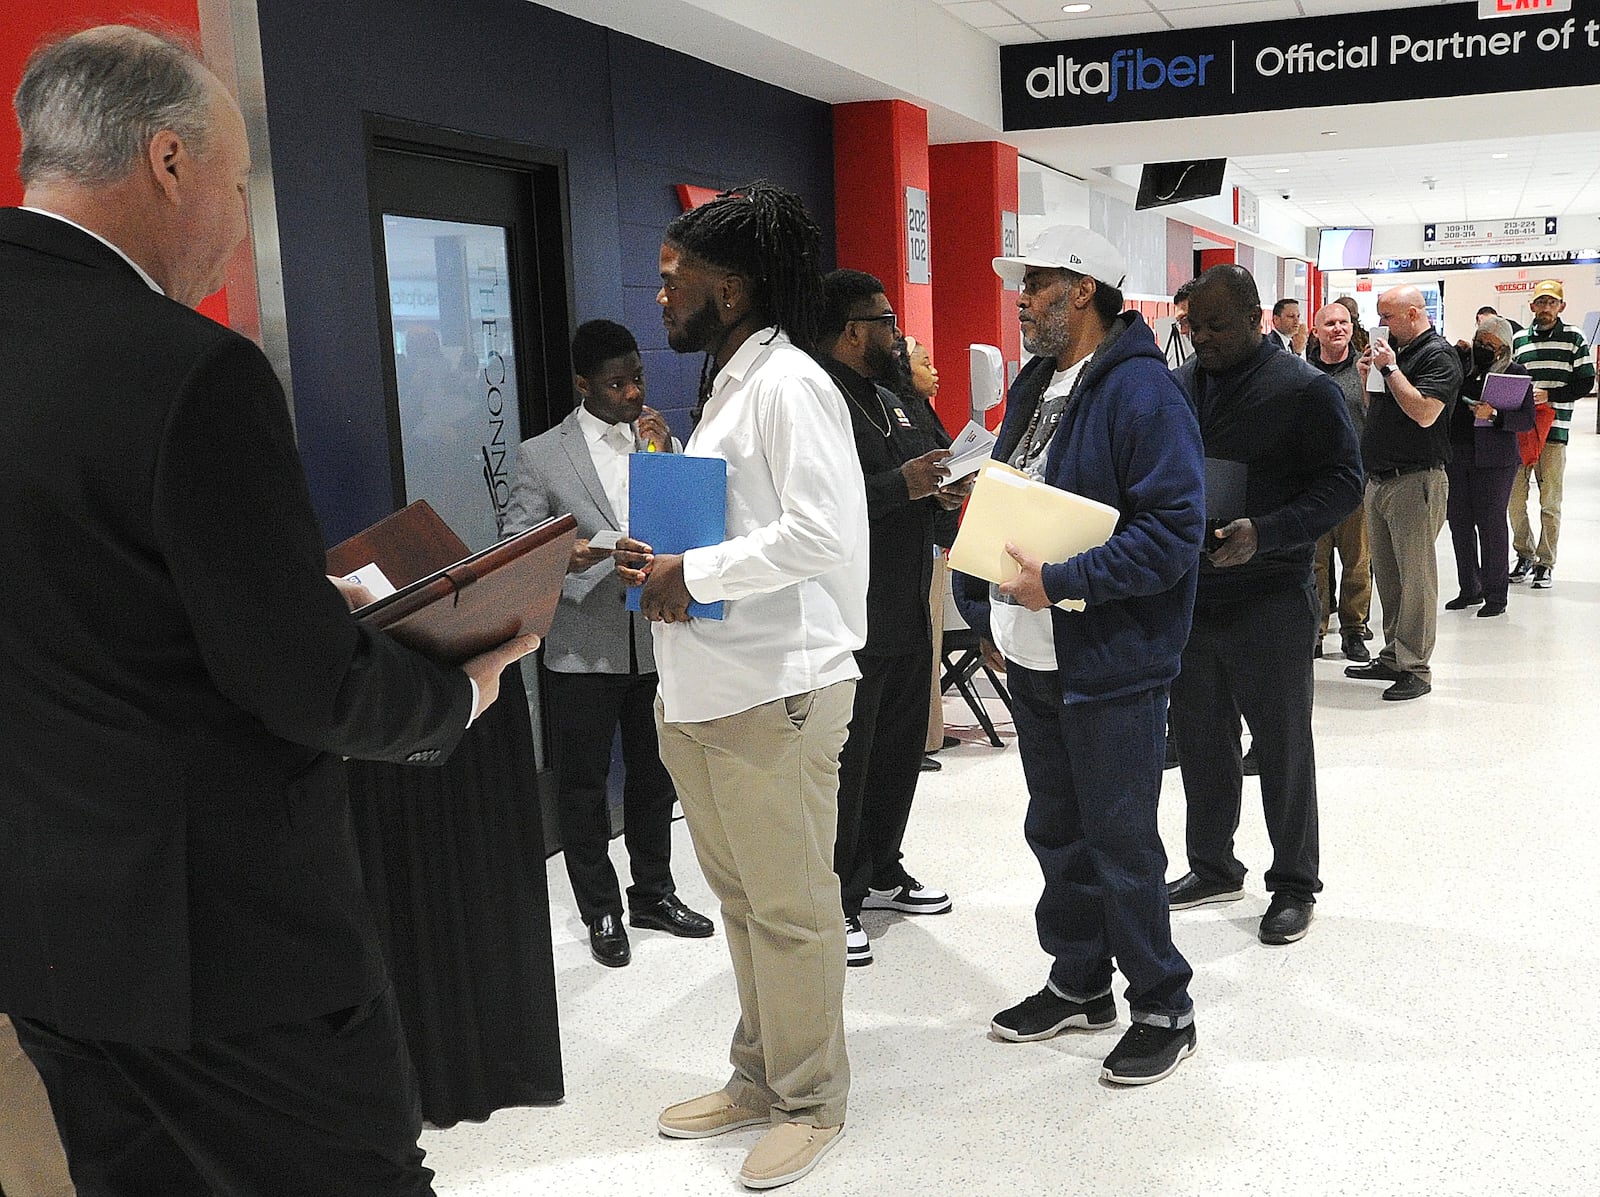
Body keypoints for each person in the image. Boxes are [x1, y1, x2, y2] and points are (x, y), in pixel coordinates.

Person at [0, 26, 538, 1195]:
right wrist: (454, 690)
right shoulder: (187, 369)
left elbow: (84, 595)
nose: (238, 219)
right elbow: (311, 685)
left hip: (42, 934)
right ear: (168, 161)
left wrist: (290, 597)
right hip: (224, 948)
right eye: (235, 180)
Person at [620, 183, 867, 1190]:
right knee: (739, 901)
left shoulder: (789, 385)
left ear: (732, 285)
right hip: (704, 691)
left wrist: (696, 572)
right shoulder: (726, 384)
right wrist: (659, 554)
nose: (661, 298)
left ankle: (812, 1102)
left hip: (779, 689)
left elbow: (820, 533)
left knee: (793, 907)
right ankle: (760, 1075)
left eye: (674, 280)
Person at [955, 225, 1204, 1086]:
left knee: (1122, 839)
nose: (1021, 299)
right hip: (1033, 653)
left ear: (1086, 290)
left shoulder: (1144, 395)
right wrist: (982, 604)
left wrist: (1062, 579)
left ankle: (1164, 1003)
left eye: (1038, 283)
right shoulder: (1035, 383)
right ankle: (1079, 979)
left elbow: (1174, 535)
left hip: (1111, 660)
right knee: (1056, 829)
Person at [502, 319, 712, 969]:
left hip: (654, 642)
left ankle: (654, 891)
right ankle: (600, 909)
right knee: (583, 785)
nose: (631, 392)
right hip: (579, 647)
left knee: (656, 777)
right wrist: (596, 555)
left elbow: (679, 521)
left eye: (638, 378)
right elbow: (520, 550)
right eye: (616, 382)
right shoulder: (541, 455)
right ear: (582, 384)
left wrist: (663, 457)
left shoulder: (658, 436)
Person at [1165, 266, 1362, 946]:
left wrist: (1267, 531)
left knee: (1280, 744)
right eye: (1195, 327)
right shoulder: (1180, 383)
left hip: (1271, 595)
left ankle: (1295, 884)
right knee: (1200, 739)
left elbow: (1343, 485)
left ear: (1257, 318)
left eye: (1218, 326)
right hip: (1194, 595)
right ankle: (1213, 863)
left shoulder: (1304, 389)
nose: (1205, 339)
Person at [816, 270, 962, 968]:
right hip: (851, 613)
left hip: (908, 599)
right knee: (852, 757)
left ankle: (881, 867)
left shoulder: (892, 397)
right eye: (886, 321)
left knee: (900, 749)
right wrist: (900, 485)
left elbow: (921, 470)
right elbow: (819, 506)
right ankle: (838, 895)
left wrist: (944, 488)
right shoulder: (822, 399)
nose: (897, 335)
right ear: (852, 331)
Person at [1346, 285, 1462, 702]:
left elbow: (1425, 413)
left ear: (1413, 314)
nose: (1383, 325)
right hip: (1380, 480)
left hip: (1417, 479)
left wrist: (1392, 370)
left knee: (1416, 578)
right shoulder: (1392, 351)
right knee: (1390, 577)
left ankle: (1416, 667)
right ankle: (1394, 653)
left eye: (1389, 317)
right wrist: (1367, 377)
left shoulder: (1438, 356)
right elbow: (1375, 407)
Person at [1444, 316, 1535, 618]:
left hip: (1496, 461)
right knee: (1459, 522)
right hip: (1459, 454)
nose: (1482, 348)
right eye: (1479, 342)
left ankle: (1496, 595)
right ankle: (1469, 588)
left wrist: (1494, 414)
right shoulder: (1464, 368)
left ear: (1503, 349)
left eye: (1490, 345)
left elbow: (1526, 420)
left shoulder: (1515, 374)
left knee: (1491, 525)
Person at [1507, 280, 1596, 588]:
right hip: (1520, 431)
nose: (1545, 308)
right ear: (1532, 306)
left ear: (1561, 307)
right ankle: (1524, 553)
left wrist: (1551, 396)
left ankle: (1546, 562)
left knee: (1550, 502)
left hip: (1555, 433)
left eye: (1552, 303)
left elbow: (1585, 381)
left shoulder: (1574, 337)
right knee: (1514, 500)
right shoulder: (1519, 340)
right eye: (1540, 302)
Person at [1306, 302, 1373, 662]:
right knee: (1313, 564)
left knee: (1357, 563)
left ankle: (1354, 631)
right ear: (1316, 331)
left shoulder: (1366, 369)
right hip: (1313, 486)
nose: (1337, 328)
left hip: (1355, 484)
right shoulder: (1301, 372)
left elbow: (1377, 419)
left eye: (1343, 322)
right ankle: (1315, 631)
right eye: (1329, 323)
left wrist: (1367, 383)